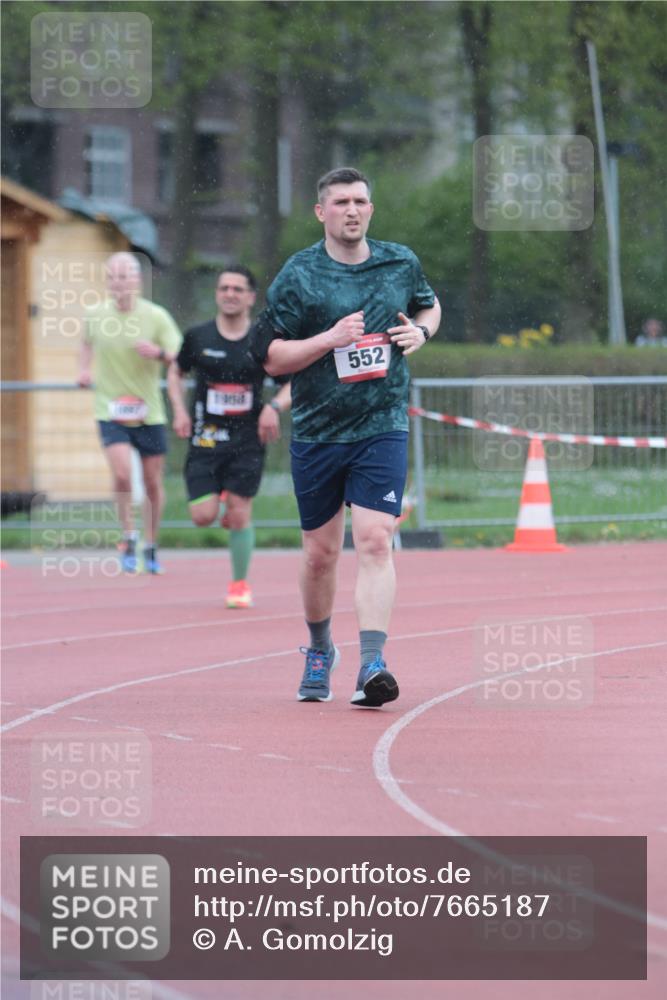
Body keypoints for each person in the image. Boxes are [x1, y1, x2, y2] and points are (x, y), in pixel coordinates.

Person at [250, 166, 441, 706]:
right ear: (321, 212)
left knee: (377, 539)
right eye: (340, 203)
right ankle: (318, 648)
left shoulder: (399, 261)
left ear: (371, 209)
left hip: (382, 424)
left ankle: (372, 662)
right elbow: (269, 357)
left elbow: (429, 303)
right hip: (318, 432)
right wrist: (329, 338)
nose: (351, 210)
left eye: (359, 201)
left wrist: (421, 330)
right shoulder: (299, 274)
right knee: (320, 554)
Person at [167, 267, 291, 609]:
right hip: (205, 439)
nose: (230, 293)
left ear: (251, 297)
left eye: (238, 288)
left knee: (239, 515)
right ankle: (219, 494)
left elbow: (293, 382)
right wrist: (178, 411)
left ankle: (239, 584)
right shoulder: (198, 337)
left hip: (247, 440)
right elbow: (175, 372)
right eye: (224, 288)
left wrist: (274, 408)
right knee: (202, 516)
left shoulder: (264, 339)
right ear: (217, 294)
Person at [78, 252, 182, 575]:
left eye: (125, 276)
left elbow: (180, 356)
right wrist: (83, 371)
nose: (118, 282)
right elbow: (85, 343)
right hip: (110, 409)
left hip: (148, 411)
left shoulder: (156, 316)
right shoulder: (95, 314)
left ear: (138, 281)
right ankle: (128, 536)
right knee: (122, 474)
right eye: (113, 277)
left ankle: (150, 544)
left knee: (152, 481)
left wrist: (159, 353)